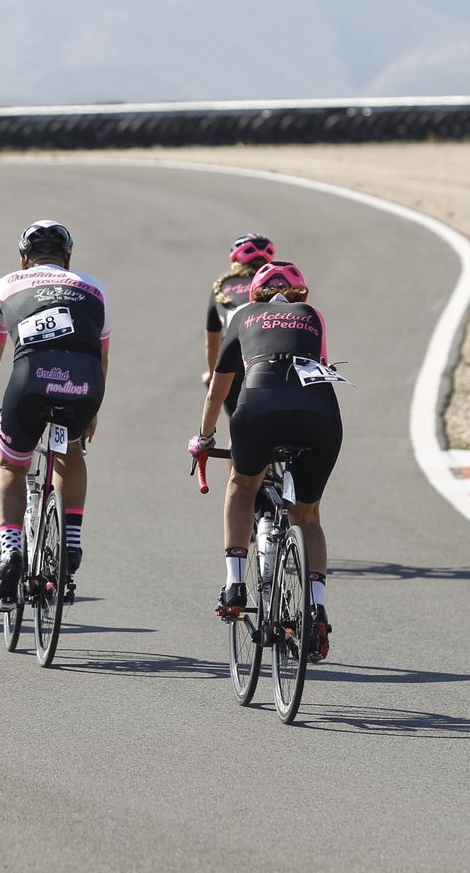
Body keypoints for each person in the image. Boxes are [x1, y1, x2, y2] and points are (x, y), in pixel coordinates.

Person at [188, 261, 341, 660]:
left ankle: (236, 585)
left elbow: (217, 392)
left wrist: (204, 439)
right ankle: (317, 608)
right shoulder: (313, 316)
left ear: (253, 293)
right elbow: (320, 366)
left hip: (258, 407)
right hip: (319, 414)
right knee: (308, 515)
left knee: (242, 484)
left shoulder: (242, 315)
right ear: (301, 295)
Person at [0, 220, 110, 611]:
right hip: (84, 385)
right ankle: (72, 538)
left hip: (30, 382)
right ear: (68, 257)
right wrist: (92, 408)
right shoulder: (94, 287)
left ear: (24, 259)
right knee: (71, 451)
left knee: (11, 466)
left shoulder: (5, 284)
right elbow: (102, 356)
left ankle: (11, 550)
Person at [204, 234, 276, 418]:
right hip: (271, 356)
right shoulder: (276, 285)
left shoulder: (222, 286)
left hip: (235, 359)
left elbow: (212, 344)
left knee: (237, 429)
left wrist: (213, 377)